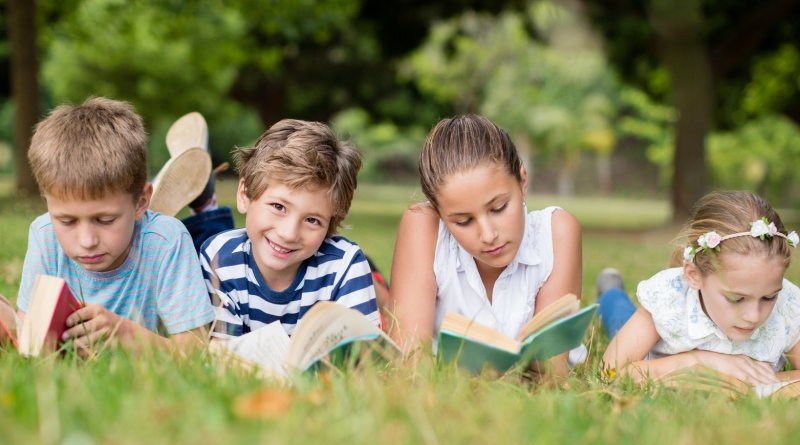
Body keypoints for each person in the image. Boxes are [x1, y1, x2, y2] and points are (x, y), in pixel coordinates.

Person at [16, 97, 214, 353]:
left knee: (210, 235)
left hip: (166, 233)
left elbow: (196, 351)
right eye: (66, 221)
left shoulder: (167, 240)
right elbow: (27, 331)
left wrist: (124, 332)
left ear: (142, 202)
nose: (86, 241)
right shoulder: (44, 234)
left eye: (105, 220)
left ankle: (205, 199)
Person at [389, 114, 583, 374]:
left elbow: (550, 371)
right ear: (439, 212)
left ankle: (611, 293)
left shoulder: (557, 231)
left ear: (523, 181)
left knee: (617, 313)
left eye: (499, 208)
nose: (488, 234)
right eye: (463, 221)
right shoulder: (424, 226)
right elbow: (410, 361)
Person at [199, 118, 382, 339]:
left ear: (330, 223)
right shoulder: (219, 259)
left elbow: (362, 357)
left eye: (313, 220)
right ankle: (203, 206)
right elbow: (221, 355)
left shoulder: (344, 265)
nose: (289, 233)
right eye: (278, 207)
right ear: (245, 194)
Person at [600, 191, 800, 386]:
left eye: (768, 297)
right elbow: (608, 373)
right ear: (694, 276)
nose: (753, 316)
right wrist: (696, 362)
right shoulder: (669, 302)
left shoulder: (788, 305)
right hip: (650, 332)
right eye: (736, 299)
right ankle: (610, 288)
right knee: (620, 316)